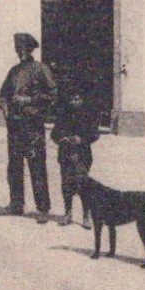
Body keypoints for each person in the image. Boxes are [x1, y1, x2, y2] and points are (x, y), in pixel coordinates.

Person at [0, 31, 55, 221]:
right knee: (14, 166)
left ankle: (43, 209)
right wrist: (5, 108)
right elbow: (3, 95)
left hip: (33, 126)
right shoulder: (13, 71)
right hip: (15, 126)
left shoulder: (40, 69)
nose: (20, 52)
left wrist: (29, 99)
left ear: (30, 50)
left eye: (23, 49)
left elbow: (53, 95)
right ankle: (16, 203)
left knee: (36, 165)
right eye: (18, 49)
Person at [52, 84, 99, 227]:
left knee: (83, 185)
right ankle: (68, 213)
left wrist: (82, 139)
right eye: (72, 99)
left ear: (82, 100)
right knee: (66, 185)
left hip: (82, 155)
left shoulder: (88, 115)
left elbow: (94, 133)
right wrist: (63, 139)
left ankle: (86, 216)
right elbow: (54, 134)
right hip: (66, 154)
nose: (75, 102)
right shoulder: (63, 115)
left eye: (78, 99)